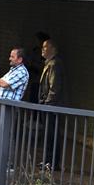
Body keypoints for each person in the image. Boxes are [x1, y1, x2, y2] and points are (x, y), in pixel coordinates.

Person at [0, 47, 29, 170]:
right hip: (0, 106)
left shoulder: (22, 72)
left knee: (7, 136)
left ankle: (8, 165)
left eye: (12, 56)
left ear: (20, 59)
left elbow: (4, 84)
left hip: (9, 108)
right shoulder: (13, 70)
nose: (9, 58)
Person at [37, 38, 68, 170]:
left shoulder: (54, 64)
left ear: (53, 49)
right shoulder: (49, 63)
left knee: (52, 134)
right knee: (49, 134)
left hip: (52, 106)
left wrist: (46, 103)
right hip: (50, 105)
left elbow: (54, 87)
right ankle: (48, 160)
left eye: (45, 47)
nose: (42, 49)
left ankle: (52, 162)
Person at [24, 31, 49, 104]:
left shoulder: (44, 53)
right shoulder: (34, 51)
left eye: (37, 40)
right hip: (33, 80)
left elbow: (42, 66)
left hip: (40, 82)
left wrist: (33, 65)